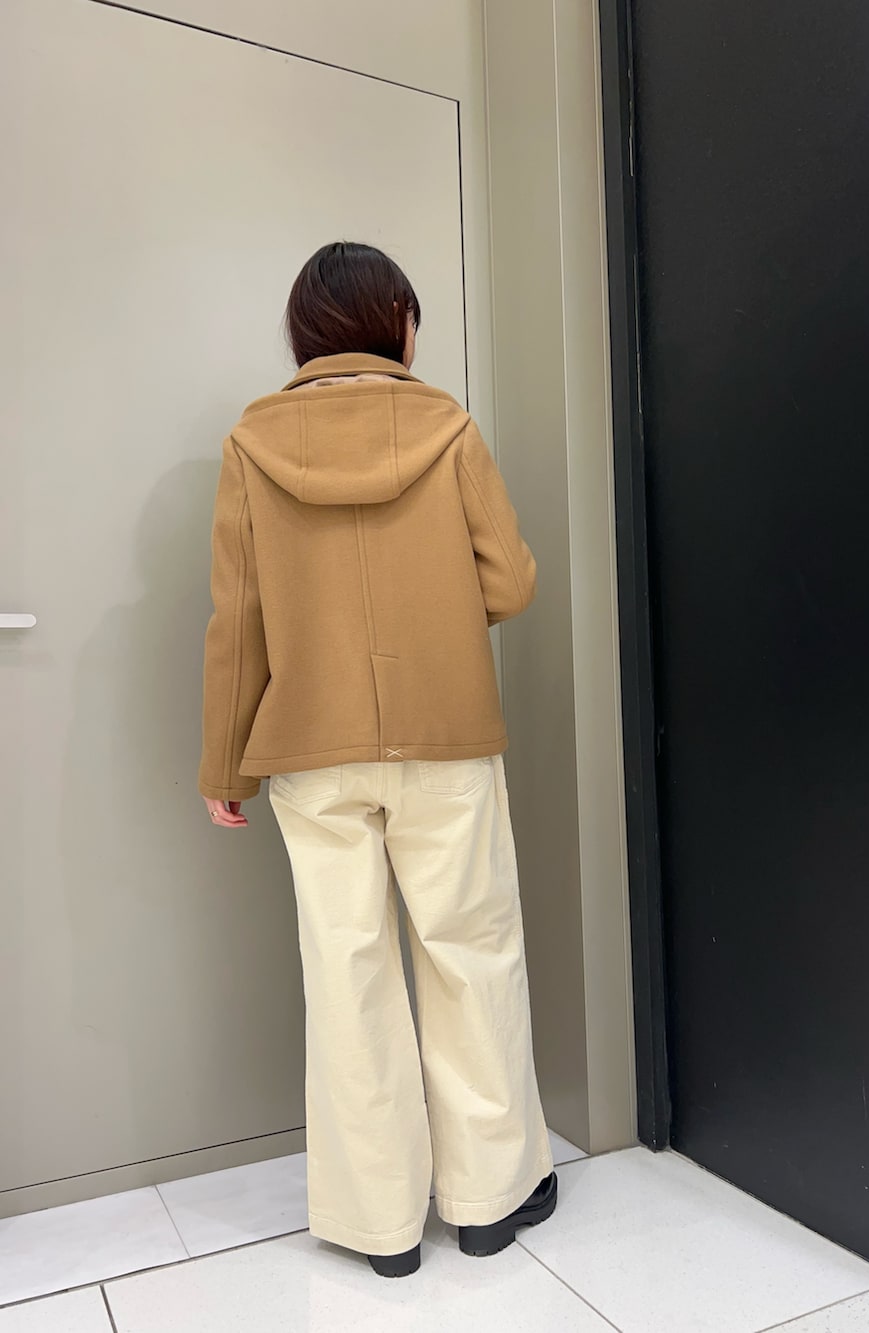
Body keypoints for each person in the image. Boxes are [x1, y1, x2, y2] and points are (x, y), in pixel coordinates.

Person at [198, 241, 555, 1278]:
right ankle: (488, 1203)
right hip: (444, 735)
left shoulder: (251, 444)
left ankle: (380, 1227)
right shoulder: (447, 425)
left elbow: (238, 622)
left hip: (312, 749)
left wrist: (224, 767)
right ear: (397, 319)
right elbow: (511, 581)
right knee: (470, 951)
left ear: (303, 334)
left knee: (346, 972)